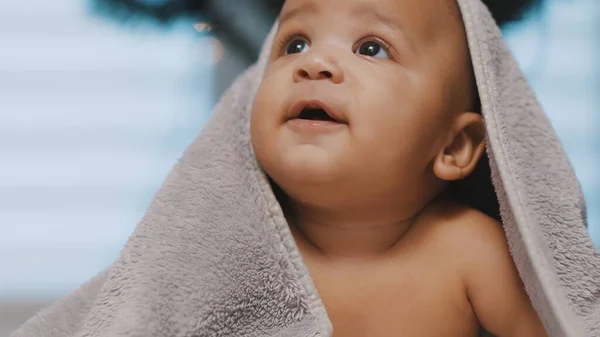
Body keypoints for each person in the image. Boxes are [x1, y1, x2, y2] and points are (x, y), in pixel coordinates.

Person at [249, 0, 547, 335]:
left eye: (371, 49)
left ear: (454, 146)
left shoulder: (468, 252)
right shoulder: (242, 248)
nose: (314, 62)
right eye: (295, 44)